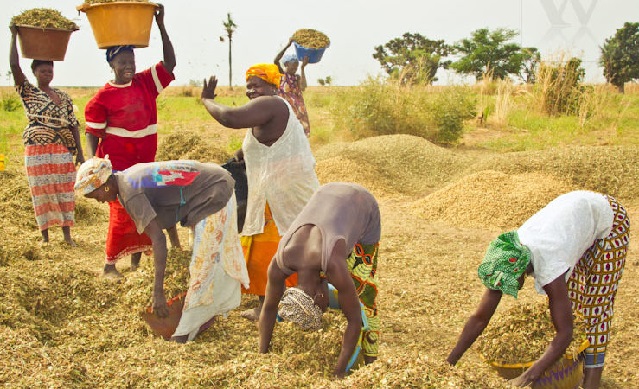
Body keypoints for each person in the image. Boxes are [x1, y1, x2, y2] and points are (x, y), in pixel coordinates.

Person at [446, 190, 630, 389]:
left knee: (594, 310)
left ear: (519, 271)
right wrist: (449, 363)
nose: (504, 289)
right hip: (574, 219)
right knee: (573, 307)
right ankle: (573, 374)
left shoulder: (550, 265)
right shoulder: (511, 252)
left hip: (609, 219)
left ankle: (591, 383)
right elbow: (480, 318)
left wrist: (530, 375)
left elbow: (565, 332)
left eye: (507, 283)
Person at [74, 157, 249, 342]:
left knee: (203, 265)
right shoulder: (127, 179)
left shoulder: (130, 192)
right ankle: (203, 316)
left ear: (105, 185)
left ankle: (185, 331)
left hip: (213, 192)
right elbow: (165, 208)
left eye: (96, 196)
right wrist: (177, 248)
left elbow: (158, 238)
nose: (99, 201)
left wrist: (158, 292)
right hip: (210, 185)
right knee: (203, 259)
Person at [200, 63, 320, 321]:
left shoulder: (274, 104)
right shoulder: (267, 112)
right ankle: (267, 307)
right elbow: (259, 145)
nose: (250, 90)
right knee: (261, 256)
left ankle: (296, 306)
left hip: (285, 196)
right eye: (248, 86)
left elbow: (230, 118)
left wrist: (207, 100)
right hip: (269, 195)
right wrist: (239, 156)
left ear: (273, 86)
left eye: (256, 84)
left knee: (285, 253)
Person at [84, 3, 178, 278]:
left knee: (145, 212)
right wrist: (95, 160)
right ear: (111, 64)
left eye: (131, 61)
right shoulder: (103, 97)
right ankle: (110, 266)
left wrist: (160, 26)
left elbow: (170, 64)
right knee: (121, 215)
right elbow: (93, 133)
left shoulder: (145, 82)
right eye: (122, 62)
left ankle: (136, 264)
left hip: (145, 165)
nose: (128, 66)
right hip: (118, 169)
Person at [259, 182, 381, 378]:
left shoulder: (333, 264)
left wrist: (339, 371)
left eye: (322, 310)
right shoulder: (279, 262)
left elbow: (355, 320)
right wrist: (262, 356)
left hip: (361, 203)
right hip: (327, 192)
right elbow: (269, 307)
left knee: (363, 292)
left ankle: (372, 359)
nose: (325, 313)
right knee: (345, 284)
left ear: (320, 295)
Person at [9, 25, 85, 246]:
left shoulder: (63, 96)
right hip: (37, 149)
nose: (47, 74)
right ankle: (45, 236)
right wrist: (14, 36)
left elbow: (73, 125)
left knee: (64, 189)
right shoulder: (29, 92)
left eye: (50, 71)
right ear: (34, 73)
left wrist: (80, 154)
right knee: (42, 191)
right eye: (43, 71)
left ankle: (67, 235)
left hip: (62, 149)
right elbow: (14, 65)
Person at [274, 39, 311, 137]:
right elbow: (276, 60)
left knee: (299, 132)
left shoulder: (297, 77)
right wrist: (287, 45)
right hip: (286, 107)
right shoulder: (282, 75)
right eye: (293, 66)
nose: (295, 69)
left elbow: (303, 87)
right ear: (286, 64)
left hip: (298, 109)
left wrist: (303, 68)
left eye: (296, 67)